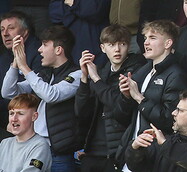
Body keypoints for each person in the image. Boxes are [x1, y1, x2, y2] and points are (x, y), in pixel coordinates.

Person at [3, 25, 82, 171]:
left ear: (58, 49)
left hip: (59, 152)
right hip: (35, 146)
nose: (39, 49)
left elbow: (51, 95)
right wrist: (16, 61)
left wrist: (25, 67)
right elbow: (8, 92)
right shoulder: (44, 75)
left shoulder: (77, 74)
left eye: (45, 45)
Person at [74, 24, 146, 171]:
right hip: (92, 150)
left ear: (129, 46)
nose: (117, 50)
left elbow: (116, 102)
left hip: (116, 151)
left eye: (122, 44)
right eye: (111, 45)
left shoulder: (136, 68)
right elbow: (81, 111)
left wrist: (95, 78)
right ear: (102, 48)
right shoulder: (102, 71)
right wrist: (84, 77)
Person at [118, 19, 187, 140]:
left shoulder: (176, 75)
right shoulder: (142, 72)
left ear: (167, 44)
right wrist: (126, 98)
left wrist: (139, 98)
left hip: (156, 149)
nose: (146, 43)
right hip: (134, 145)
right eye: (145, 38)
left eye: (152, 38)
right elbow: (120, 118)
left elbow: (170, 120)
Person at [125, 91, 187, 172]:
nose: (173, 113)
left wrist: (165, 144)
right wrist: (136, 148)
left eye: (180, 110)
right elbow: (136, 167)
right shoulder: (170, 140)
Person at [0, 93, 52, 172]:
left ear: (34, 116)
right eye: (11, 113)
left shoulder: (40, 146)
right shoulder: (5, 143)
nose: (14, 118)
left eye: (20, 114)